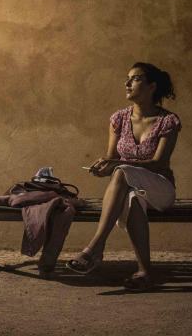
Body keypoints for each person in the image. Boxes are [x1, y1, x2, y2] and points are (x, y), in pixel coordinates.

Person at [66, 62, 181, 290]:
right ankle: (144, 273)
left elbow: (159, 164)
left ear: (151, 87)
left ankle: (95, 248)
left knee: (121, 171)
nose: (127, 83)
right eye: (127, 78)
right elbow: (111, 159)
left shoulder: (168, 121)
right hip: (132, 188)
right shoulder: (118, 119)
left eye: (135, 78)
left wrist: (118, 164)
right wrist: (102, 168)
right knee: (132, 201)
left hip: (160, 188)